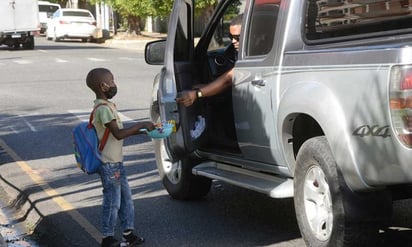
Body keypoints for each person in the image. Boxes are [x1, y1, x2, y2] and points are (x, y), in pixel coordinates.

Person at [86, 68, 154, 247]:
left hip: (116, 163)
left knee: (126, 200)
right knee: (113, 201)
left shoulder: (108, 107)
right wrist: (141, 124)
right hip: (109, 164)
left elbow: (122, 132)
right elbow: (118, 133)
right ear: (103, 85)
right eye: (112, 81)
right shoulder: (103, 109)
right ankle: (107, 237)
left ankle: (128, 234)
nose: (115, 85)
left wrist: (146, 130)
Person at [176, 14, 243, 107]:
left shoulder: (257, 55)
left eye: (238, 38)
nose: (233, 41)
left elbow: (228, 80)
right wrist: (207, 88)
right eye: (231, 37)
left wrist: (197, 94)